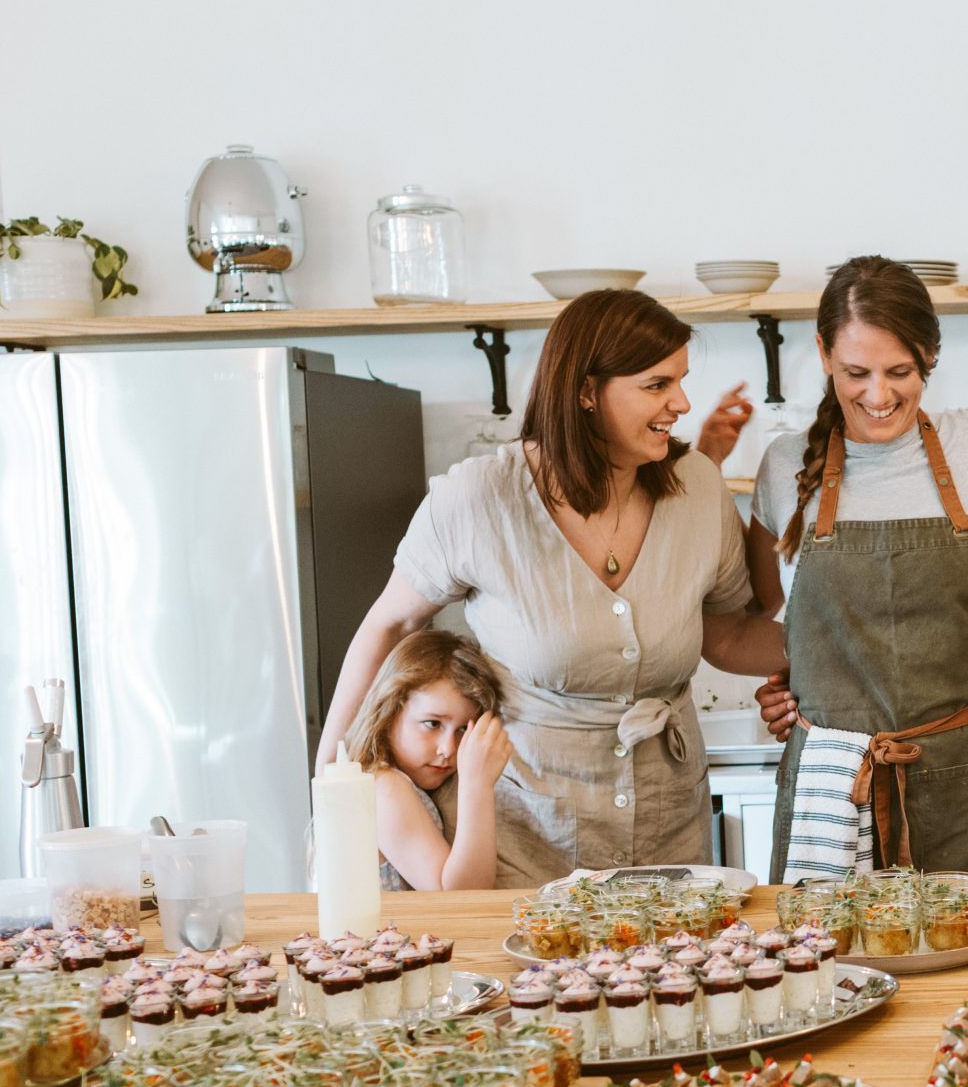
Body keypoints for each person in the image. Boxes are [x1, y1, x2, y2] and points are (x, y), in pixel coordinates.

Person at [316, 289, 787, 887]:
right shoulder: (481, 497)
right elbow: (391, 625)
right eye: (656, 384)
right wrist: (330, 790)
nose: (681, 403)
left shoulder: (696, 486)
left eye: (681, 381)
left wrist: (845, 655)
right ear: (586, 391)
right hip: (527, 839)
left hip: (671, 836)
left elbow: (728, 632)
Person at [747, 257, 968, 882]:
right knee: (825, 970)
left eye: (900, 371)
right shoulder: (783, 464)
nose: (879, 396)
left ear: (930, 354)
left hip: (966, 784)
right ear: (822, 353)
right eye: (856, 372)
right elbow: (756, 617)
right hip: (832, 788)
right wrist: (801, 685)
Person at [338, 629, 510, 891]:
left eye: (464, 730)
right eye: (432, 723)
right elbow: (459, 897)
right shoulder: (384, 787)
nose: (447, 749)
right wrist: (477, 785)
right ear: (389, 711)